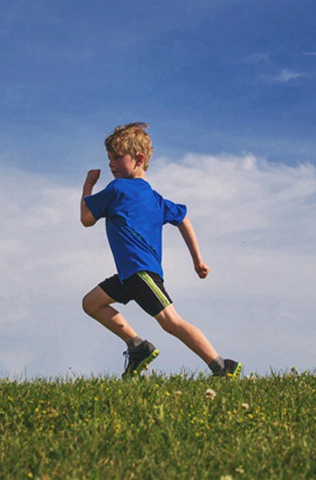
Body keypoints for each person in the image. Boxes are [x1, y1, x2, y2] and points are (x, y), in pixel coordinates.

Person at [80, 122, 241, 379]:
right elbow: (184, 219)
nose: (111, 163)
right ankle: (137, 346)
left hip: (141, 273)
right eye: (109, 158)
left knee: (170, 321)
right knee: (91, 303)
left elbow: (86, 219)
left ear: (139, 159)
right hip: (129, 275)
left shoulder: (117, 189)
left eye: (117, 158)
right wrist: (197, 260)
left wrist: (88, 185)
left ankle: (221, 365)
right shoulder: (156, 198)